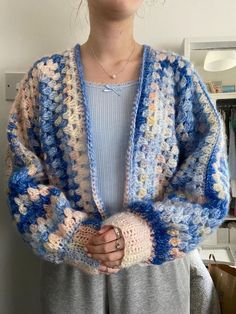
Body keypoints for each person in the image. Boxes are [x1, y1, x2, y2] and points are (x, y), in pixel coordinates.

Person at [5, 0, 229, 313]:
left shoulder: (178, 79)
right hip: (73, 284)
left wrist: (148, 231)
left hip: (158, 282)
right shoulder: (45, 80)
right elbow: (22, 182)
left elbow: (208, 191)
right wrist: (75, 236)